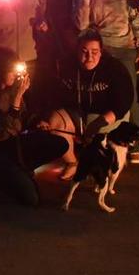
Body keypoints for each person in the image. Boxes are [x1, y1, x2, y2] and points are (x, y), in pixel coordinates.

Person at [71, 0, 139, 161]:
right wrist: (86, 2)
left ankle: (133, 144)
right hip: (101, 49)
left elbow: (136, 18)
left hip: (124, 46)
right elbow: (81, 24)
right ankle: (102, 140)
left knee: (129, 93)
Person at [0, 47, 69, 206]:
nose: (15, 75)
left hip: (14, 144)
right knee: (31, 199)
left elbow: (23, 118)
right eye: (11, 70)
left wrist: (37, 122)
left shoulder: (13, 90)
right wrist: (17, 100)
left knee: (60, 143)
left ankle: (23, 168)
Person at [41, 32, 134, 180]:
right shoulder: (66, 66)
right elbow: (53, 95)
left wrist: (98, 124)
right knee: (54, 121)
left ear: (101, 52)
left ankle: (105, 164)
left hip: (106, 116)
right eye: (84, 52)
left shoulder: (114, 68)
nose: (89, 57)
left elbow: (124, 101)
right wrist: (44, 118)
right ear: (77, 51)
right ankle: (72, 163)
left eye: (94, 52)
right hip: (78, 114)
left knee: (101, 139)